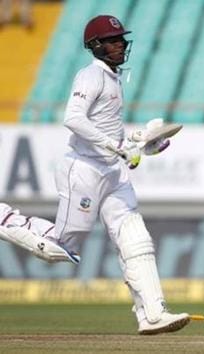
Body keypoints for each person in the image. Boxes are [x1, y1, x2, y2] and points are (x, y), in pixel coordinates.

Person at [0, 15, 189, 335]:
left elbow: (109, 133)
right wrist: (117, 150)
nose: (120, 46)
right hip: (84, 170)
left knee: (135, 238)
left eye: (121, 40)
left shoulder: (114, 79)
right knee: (58, 249)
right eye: (113, 41)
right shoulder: (91, 75)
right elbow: (73, 119)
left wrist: (141, 145)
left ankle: (153, 314)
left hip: (112, 174)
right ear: (95, 45)